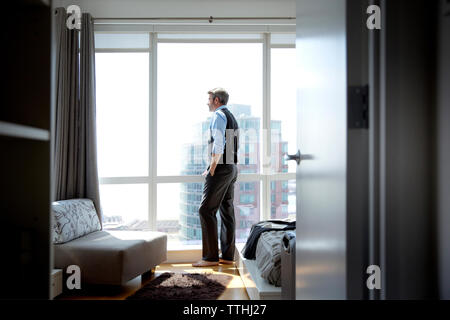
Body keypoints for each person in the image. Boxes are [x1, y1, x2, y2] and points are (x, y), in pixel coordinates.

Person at [192, 88, 239, 267]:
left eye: (209, 99)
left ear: (217, 100)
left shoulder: (218, 116)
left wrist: (212, 167)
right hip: (231, 168)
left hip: (221, 169)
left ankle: (210, 258)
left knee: (206, 210)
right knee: (227, 211)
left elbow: (219, 142)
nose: (207, 102)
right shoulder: (232, 117)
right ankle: (227, 256)